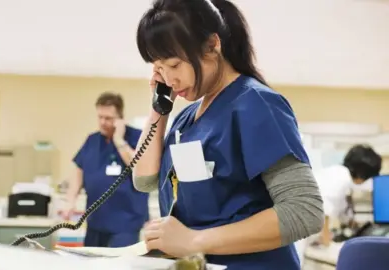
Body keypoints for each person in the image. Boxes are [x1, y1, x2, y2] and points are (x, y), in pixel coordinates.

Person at [132, 0, 325, 269]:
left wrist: (194, 240)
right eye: (159, 68)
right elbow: (144, 179)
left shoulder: (256, 104)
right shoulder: (186, 119)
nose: (169, 78)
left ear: (212, 45)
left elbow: (304, 211)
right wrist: (159, 109)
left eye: (174, 65)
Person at [65, 92, 149, 248]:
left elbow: (140, 167)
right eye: (100, 117)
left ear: (120, 119)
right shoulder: (92, 140)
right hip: (95, 222)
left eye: (108, 118)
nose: (103, 122)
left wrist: (118, 140)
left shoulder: (137, 137)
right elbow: (79, 169)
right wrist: (70, 200)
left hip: (126, 225)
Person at [315, 144, 382, 246]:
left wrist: (350, 222)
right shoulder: (342, 178)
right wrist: (326, 243)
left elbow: (341, 208)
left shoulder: (337, 173)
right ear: (362, 173)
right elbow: (324, 211)